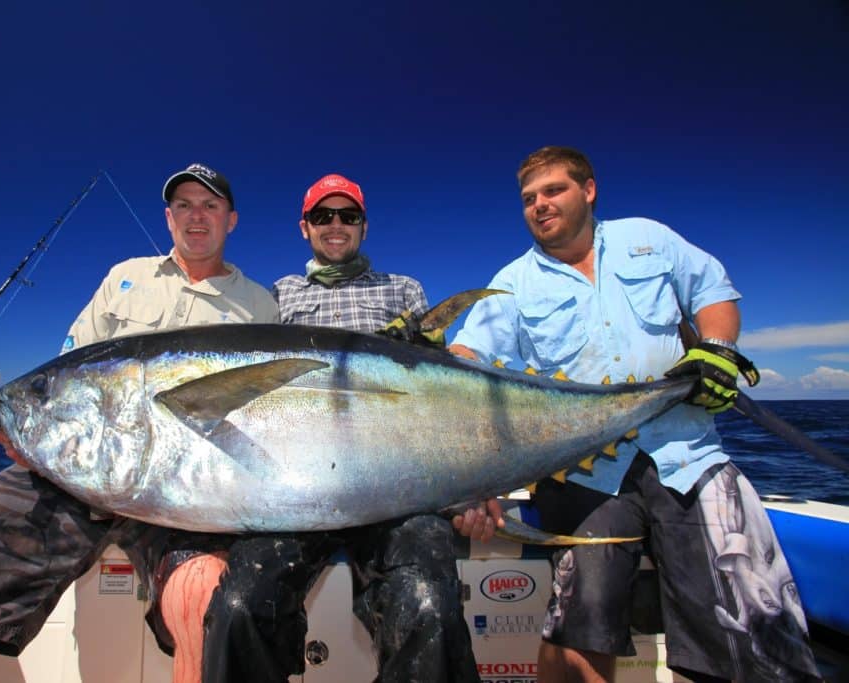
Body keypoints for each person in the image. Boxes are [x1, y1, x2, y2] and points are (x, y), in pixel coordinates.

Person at [0, 163, 279, 683]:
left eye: (210, 205)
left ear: (231, 220)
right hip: (74, 480)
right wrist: (32, 429)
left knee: (210, 612)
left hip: (192, 495)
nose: (197, 216)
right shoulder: (124, 277)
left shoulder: (261, 303)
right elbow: (68, 370)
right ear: (168, 218)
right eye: (184, 205)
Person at [448, 146, 821, 682]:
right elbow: (468, 362)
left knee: (755, 619)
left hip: (686, 452)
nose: (539, 205)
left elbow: (713, 294)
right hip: (580, 469)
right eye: (528, 198)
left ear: (589, 189)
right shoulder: (510, 282)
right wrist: (465, 466)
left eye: (553, 190)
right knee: (578, 620)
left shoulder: (649, 239)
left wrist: (716, 349)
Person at [190, 173, 480, 683]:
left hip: (397, 486)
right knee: (240, 606)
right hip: (300, 491)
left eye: (348, 215)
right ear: (305, 228)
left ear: (364, 226)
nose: (336, 225)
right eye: (323, 216)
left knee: (430, 605)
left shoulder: (403, 289)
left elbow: (443, 392)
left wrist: (480, 475)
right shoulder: (279, 296)